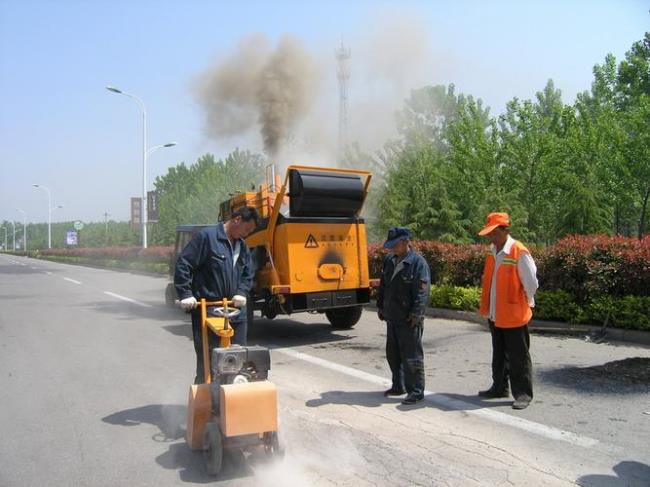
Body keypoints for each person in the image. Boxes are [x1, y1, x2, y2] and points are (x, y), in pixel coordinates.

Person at [174, 206, 259, 383]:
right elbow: (184, 264)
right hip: (209, 310)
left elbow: (248, 273)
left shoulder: (242, 246)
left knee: (236, 359)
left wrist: (242, 292)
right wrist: (185, 293)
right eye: (247, 229)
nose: (247, 234)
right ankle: (205, 404)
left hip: (235, 311)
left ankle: (230, 402)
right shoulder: (207, 237)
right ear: (237, 220)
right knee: (208, 362)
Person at [477, 212, 538, 410]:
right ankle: (499, 387)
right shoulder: (492, 251)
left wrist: (527, 301)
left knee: (518, 356)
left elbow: (531, 282)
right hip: (495, 313)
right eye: (489, 234)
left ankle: (523, 394)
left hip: (514, 314)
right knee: (499, 353)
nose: (491, 238)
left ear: (505, 230)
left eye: (494, 233)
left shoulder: (518, 251)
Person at [376, 227, 431, 405]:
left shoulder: (418, 263)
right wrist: (380, 306)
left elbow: (422, 292)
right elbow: (383, 285)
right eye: (390, 245)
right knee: (393, 355)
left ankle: (416, 390)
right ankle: (398, 386)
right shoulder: (389, 260)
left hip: (409, 318)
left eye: (395, 245)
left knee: (412, 356)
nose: (392, 249)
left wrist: (416, 313)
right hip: (392, 316)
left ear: (406, 241)